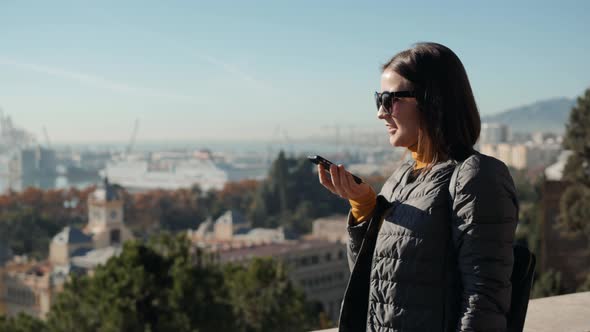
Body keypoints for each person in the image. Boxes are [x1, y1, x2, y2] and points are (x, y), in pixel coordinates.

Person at [317, 42, 518, 331]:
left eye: (390, 100)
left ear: (432, 100)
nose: (380, 113)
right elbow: (375, 282)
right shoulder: (400, 177)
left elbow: (484, 300)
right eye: (378, 99)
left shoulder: (476, 176)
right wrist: (364, 207)